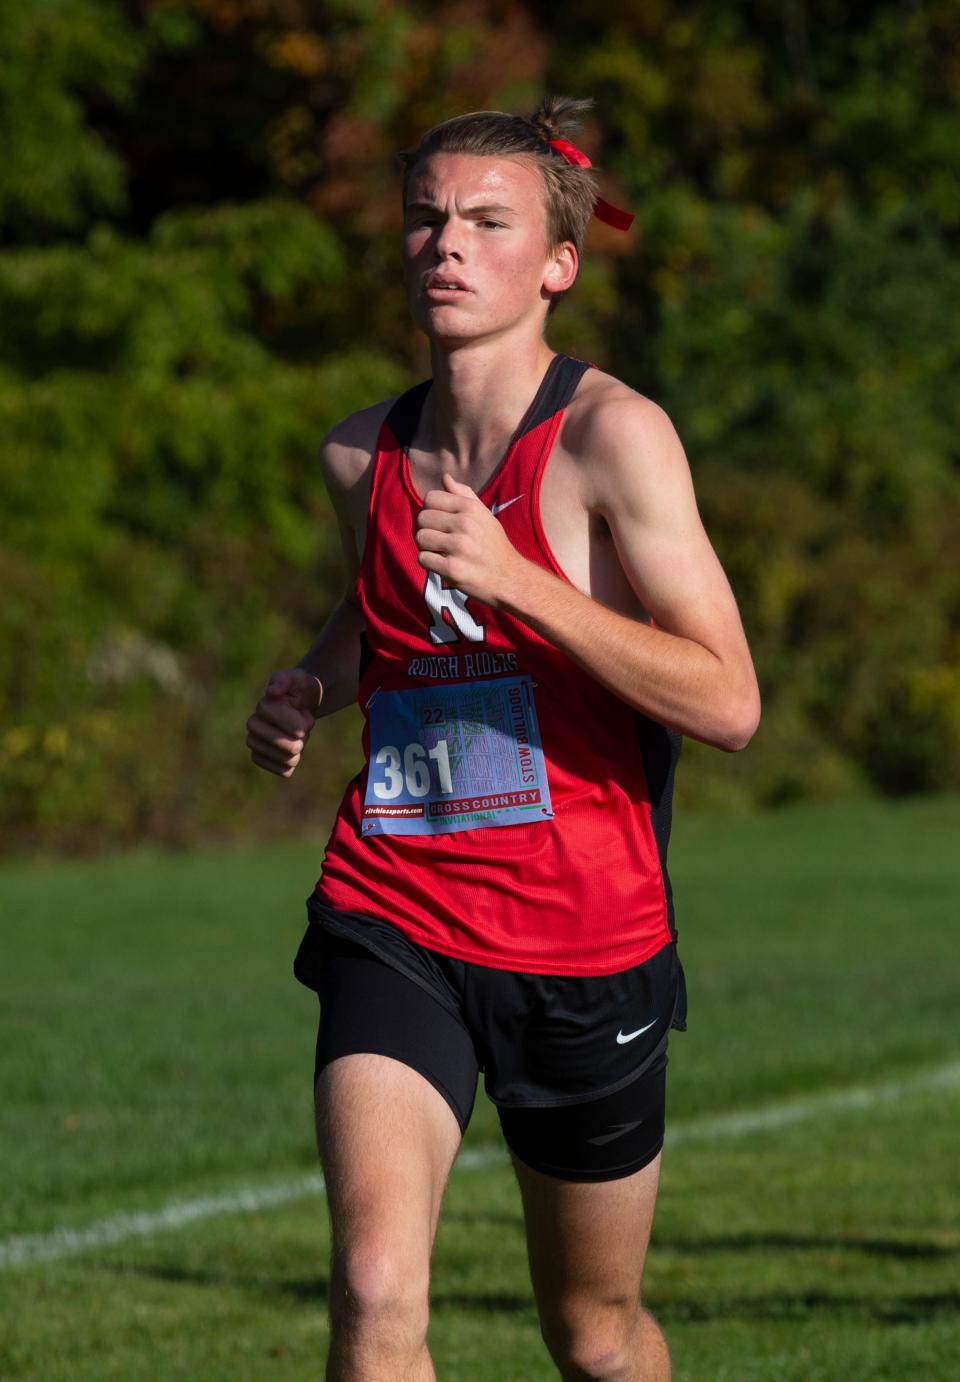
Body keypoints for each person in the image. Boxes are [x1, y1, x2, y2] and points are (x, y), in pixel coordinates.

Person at [246, 95, 760, 1382]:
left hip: (586, 936)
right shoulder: (362, 453)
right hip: (397, 902)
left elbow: (728, 700)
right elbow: (393, 618)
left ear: (558, 263)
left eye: (487, 221)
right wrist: (313, 682)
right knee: (374, 1289)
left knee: (592, 1334)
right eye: (427, 218)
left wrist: (527, 578)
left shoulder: (612, 439)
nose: (448, 246)